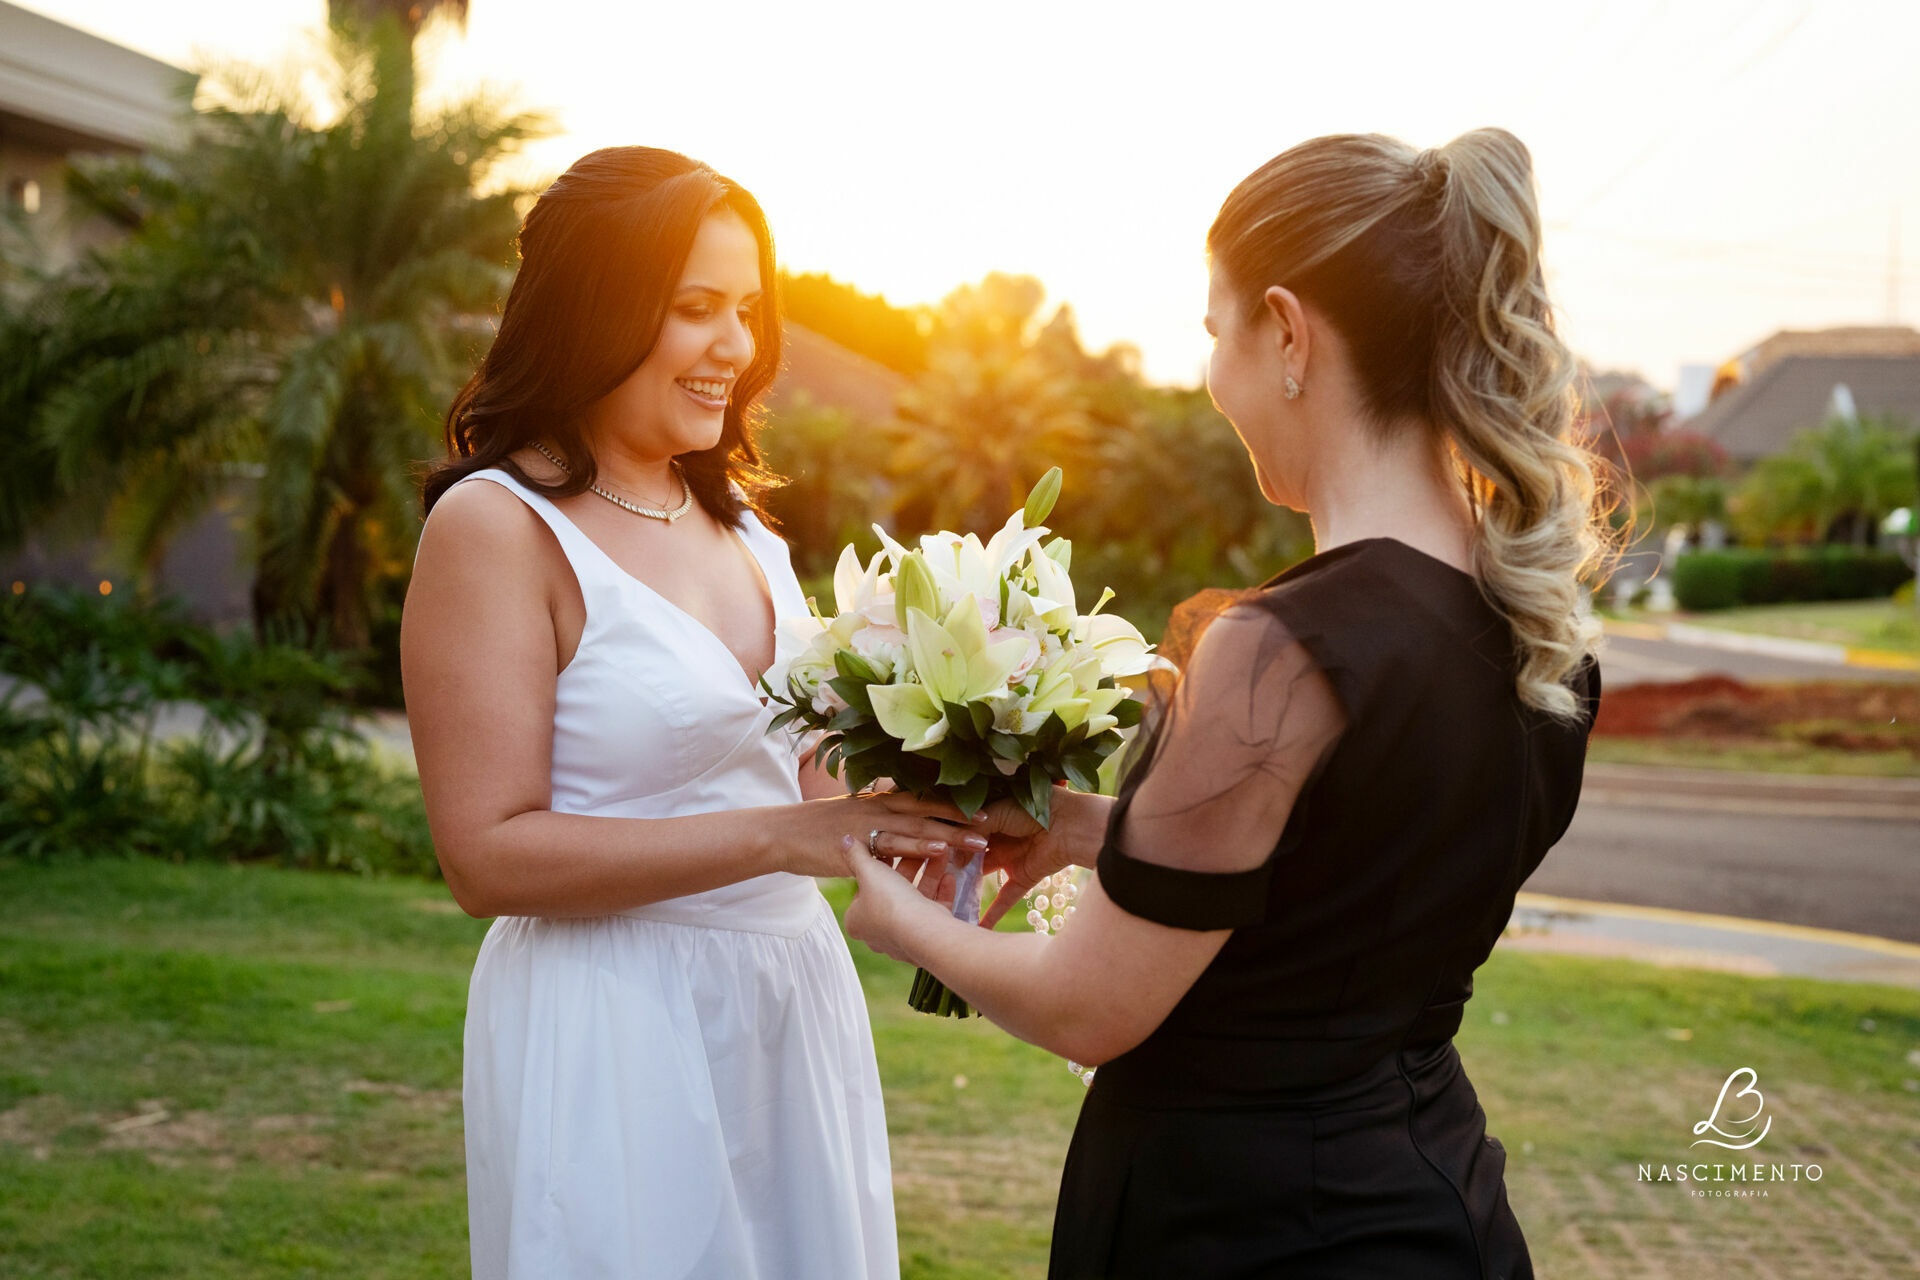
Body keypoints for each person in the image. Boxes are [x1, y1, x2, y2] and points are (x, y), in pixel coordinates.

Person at [841, 128, 1612, 1279]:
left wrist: (900, 918)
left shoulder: (1277, 654)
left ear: (1289, 334)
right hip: (1435, 1203)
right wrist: (1076, 830)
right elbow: (1342, 884)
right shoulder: (1539, 633)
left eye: (1215, 331)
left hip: (1245, 1226)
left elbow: (1087, 1007)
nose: (1211, 375)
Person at [401, 146, 985, 1280]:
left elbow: (808, 781)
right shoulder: (497, 527)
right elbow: (485, 857)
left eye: (748, 311)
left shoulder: (748, 529)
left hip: (789, 1001)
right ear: (596, 308)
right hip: (613, 1018)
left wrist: (934, 802)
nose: (738, 347)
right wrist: (788, 837)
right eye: (697, 308)